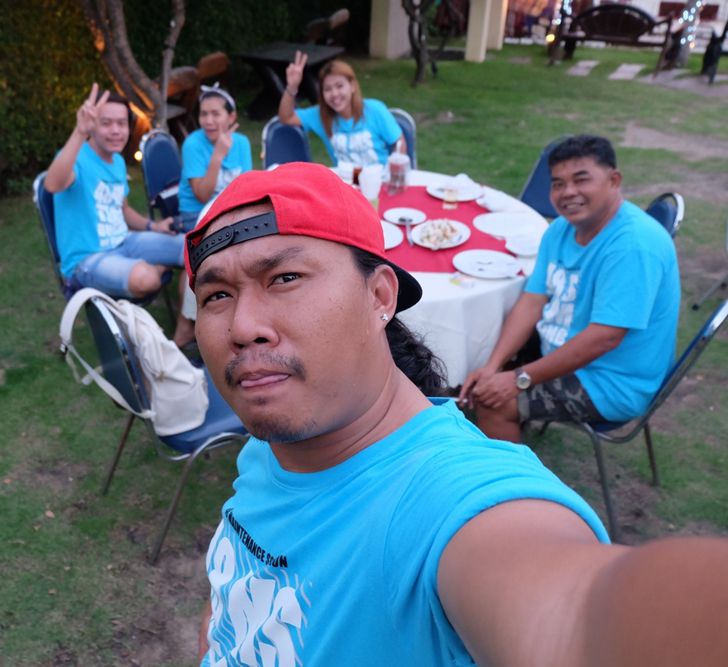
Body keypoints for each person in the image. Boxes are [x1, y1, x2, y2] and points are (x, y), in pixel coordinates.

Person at [184, 162, 727, 666]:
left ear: (380, 296)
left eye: (284, 278)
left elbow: (575, 618)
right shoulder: (273, 442)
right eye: (217, 296)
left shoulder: (447, 504)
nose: (242, 327)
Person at [460, 135, 680, 443]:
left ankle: (512, 473)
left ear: (614, 180)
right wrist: (492, 366)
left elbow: (605, 338)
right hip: (565, 346)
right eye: (558, 183)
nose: (568, 192)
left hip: (612, 381)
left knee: (493, 403)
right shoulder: (561, 229)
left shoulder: (634, 246)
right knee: (480, 347)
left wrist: (518, 379)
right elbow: (532, 301)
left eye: (581, 180)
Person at [43, 83, 193, 344]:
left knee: (194, 247)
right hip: (87, 259)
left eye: (122, 123)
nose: (116, 131)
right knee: (147, 278)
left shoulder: (118, 161)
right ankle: (159, 268)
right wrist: (79, 132)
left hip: (125, 243)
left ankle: (186, 328)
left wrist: (153, 226)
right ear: (92, 125)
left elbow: (122, 210)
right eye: (106, 123)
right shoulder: (77, 158)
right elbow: (52, 184)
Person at [277, 52, 405, 167]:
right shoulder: (320, 115)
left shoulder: (375, 109)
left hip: (378, 180)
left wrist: (394, 171)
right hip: (344, 182)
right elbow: (286, 118)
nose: (334, 94)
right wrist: (292, 87)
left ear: (352, 86)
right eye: (327, 89)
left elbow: (399, 142)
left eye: (339, 86)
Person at [176, 84, 252, 232]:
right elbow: (202, 196)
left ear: (231, 117)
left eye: (215, 114)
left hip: (231, 211)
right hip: (196, 215)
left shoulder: (242, 142)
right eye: (203, 114)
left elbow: (247, 188)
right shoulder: (192, 144)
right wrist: (217, 155)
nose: (208, 121)